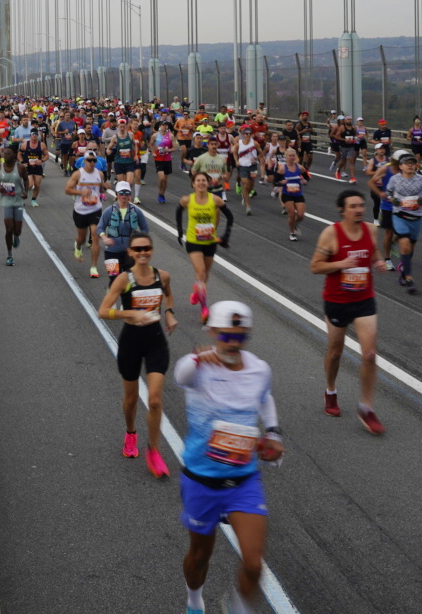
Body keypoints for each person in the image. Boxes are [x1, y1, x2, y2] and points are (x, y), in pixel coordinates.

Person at [173, 301, 283, 614]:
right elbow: (181, 375)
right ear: (212, 332)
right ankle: (195, 602)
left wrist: (273, 433)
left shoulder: (259, 368)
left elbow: (265, 398)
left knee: (253, 563)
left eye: (240, 336)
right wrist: (199, 355)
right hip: (201, 479)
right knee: (199, 556)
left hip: (242, 480)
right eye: (225, 336)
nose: (233, 343)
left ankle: (237, 609)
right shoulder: (198, 368)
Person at [96, 232, 175, 477]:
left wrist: (170, 312)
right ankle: (131, 432)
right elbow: (103, 311)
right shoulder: (123, 280)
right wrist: (131, 314)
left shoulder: (162, 276)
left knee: (154, 400)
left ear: (151, 250)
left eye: (147, 248)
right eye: (138, 249)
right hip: (131, 342)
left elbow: (169, 295)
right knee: (130, 399)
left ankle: (154, 450)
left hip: (155, 342)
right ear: (130, 252)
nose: (143, 252)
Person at [310, 190, 384, 434]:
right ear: (342, 210)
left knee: (370, 354)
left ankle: (366, 407)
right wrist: (340, 264)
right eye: (353, 206)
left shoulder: (371, 231)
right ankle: (330, 391)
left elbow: (373, 252)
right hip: (337, 300)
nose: (359, 210)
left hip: (364, 299)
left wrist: (378, 261)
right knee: (335, 352)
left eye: (361, 206)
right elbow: (315, 266)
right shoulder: (331, 234)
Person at [175, 170, 233, 318]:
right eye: (198, 181)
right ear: (193, 184)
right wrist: (180, 231)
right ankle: (204, 308)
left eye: (204, 180)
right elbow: (178, 212)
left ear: (208, 183)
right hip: (193, 241)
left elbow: (230, 217)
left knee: (205, 276)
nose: (201, 183)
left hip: (210, 241)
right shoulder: (187, 200)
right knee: (200, 272)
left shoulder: (216, 200)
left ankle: (197, 291)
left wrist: (225, 236)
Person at [384, 153, 422, 294]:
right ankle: (409, 279)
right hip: (399, 215)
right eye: (407, 163)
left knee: (410, 249)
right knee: (405, 245)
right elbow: (388, 192)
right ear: (400, 166)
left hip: (416, 218)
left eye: (412, 163)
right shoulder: (395, 179)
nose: (410, 165)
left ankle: (403, 270)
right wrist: (392, 200)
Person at [64, 150, 107, 274]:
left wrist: (104, 190)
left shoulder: (100, 174)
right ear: (84, 161)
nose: (92, 163)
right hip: (80, 210)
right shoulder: (78, 174)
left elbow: (101, 190)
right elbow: (67, 190)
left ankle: (94, 267)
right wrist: (81, 192)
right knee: (81, 238)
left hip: (95, 209)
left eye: (94, 160)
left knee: (95, 236)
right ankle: (78, 246)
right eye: (89, 160)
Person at [99, 181, 149, 279]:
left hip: (130, 253)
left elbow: (145, 228)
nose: (124, 196)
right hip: (111, 252)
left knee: (130, 280)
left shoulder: (136, 211)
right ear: (117, 194)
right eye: (121, 193)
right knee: (114, 280)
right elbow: (100, 228)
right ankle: (111, 293)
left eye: (127, 193)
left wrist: (138, 242)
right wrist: (104, 238)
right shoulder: (109, 211)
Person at [0, 146, 25, 267]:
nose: (5, 156)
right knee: (9, 228)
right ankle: (9, 255)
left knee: (17, 230)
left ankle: (16, 236)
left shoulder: (20, 167)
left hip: (18, 201)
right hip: (6, 201)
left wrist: (25, 191)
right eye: (4, 153)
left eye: (8, 154)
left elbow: (27, 180)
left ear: (14, 155)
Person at [279, 149, 309, 241]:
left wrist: (305, 181)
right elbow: (276, 180)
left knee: (300, 215)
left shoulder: (299, 167)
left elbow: (307, 177)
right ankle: (292, 233)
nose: (292, 157)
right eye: (290, 156)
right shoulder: (282, 168)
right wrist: (282, 182)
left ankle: (295, 224)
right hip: (287, 194)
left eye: (293, 156)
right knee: (292, 214)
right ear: (286, 157)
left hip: (298, 193)